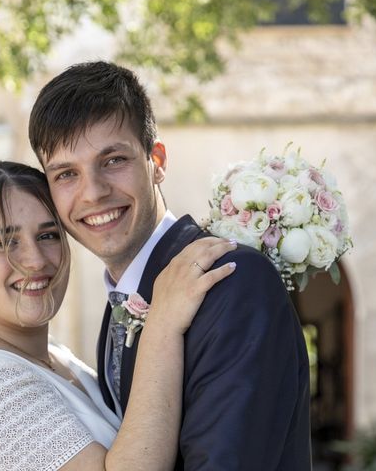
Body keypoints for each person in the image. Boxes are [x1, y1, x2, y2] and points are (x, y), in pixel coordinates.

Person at [28, 61, 312, 470]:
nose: (93, 193)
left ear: (156, 160)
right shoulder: (121, 307)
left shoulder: (232, 283)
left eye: (113, 161)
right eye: (67, 174)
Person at [0, 161, 237, 470]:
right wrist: (162, 323)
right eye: (4, 243)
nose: (34, 260)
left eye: (47, 235)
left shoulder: (54, 357)